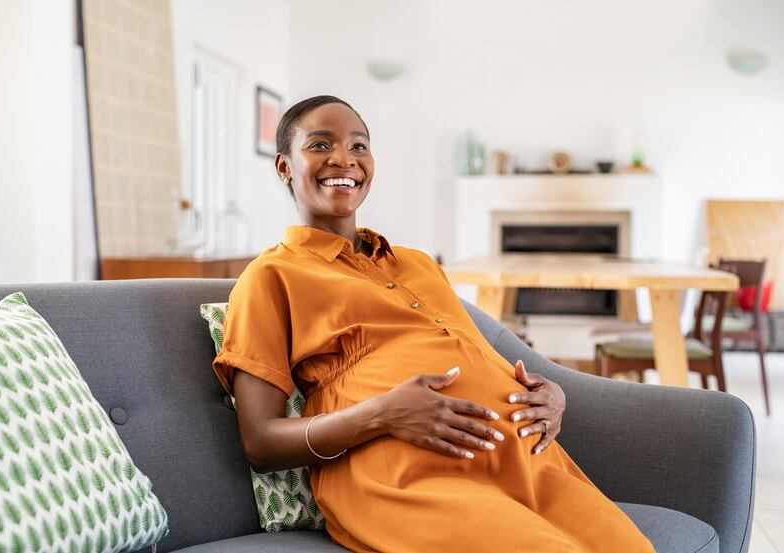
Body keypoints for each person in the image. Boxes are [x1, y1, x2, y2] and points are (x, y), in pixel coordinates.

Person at [213, 95, 654, 552]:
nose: (344, 158)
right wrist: (382, 413)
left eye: (359, 146)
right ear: (285, 167)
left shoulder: (418, 264)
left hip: (528, 461)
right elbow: (260, 443)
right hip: (402, 475)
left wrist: (553, 393)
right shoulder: (271, 276)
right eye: (320, 145)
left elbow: (475, 356)